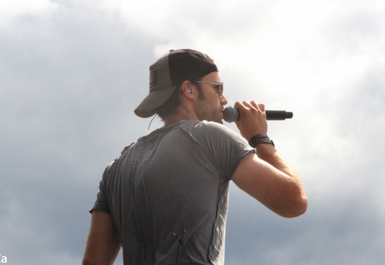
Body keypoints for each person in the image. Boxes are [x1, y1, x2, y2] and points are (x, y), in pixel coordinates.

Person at [82, 49, 307, 265]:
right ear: (188, 90)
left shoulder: (116, 169)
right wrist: (260, 138)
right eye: (218, 88)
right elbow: (294, 202)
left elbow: (93, 262)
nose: (224, 99)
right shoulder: (210, 137)